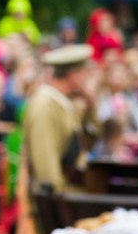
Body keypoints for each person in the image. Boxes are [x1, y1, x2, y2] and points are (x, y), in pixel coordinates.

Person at [22, 44, 94, 194]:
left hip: (71, 195)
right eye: (86, 73)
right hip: (59, 204)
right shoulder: (45, 106)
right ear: (74, 75)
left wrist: (90, 107)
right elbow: (46, 171)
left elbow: (88, 143)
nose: (89, 79)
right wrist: (60, 205)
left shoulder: (62, 103)